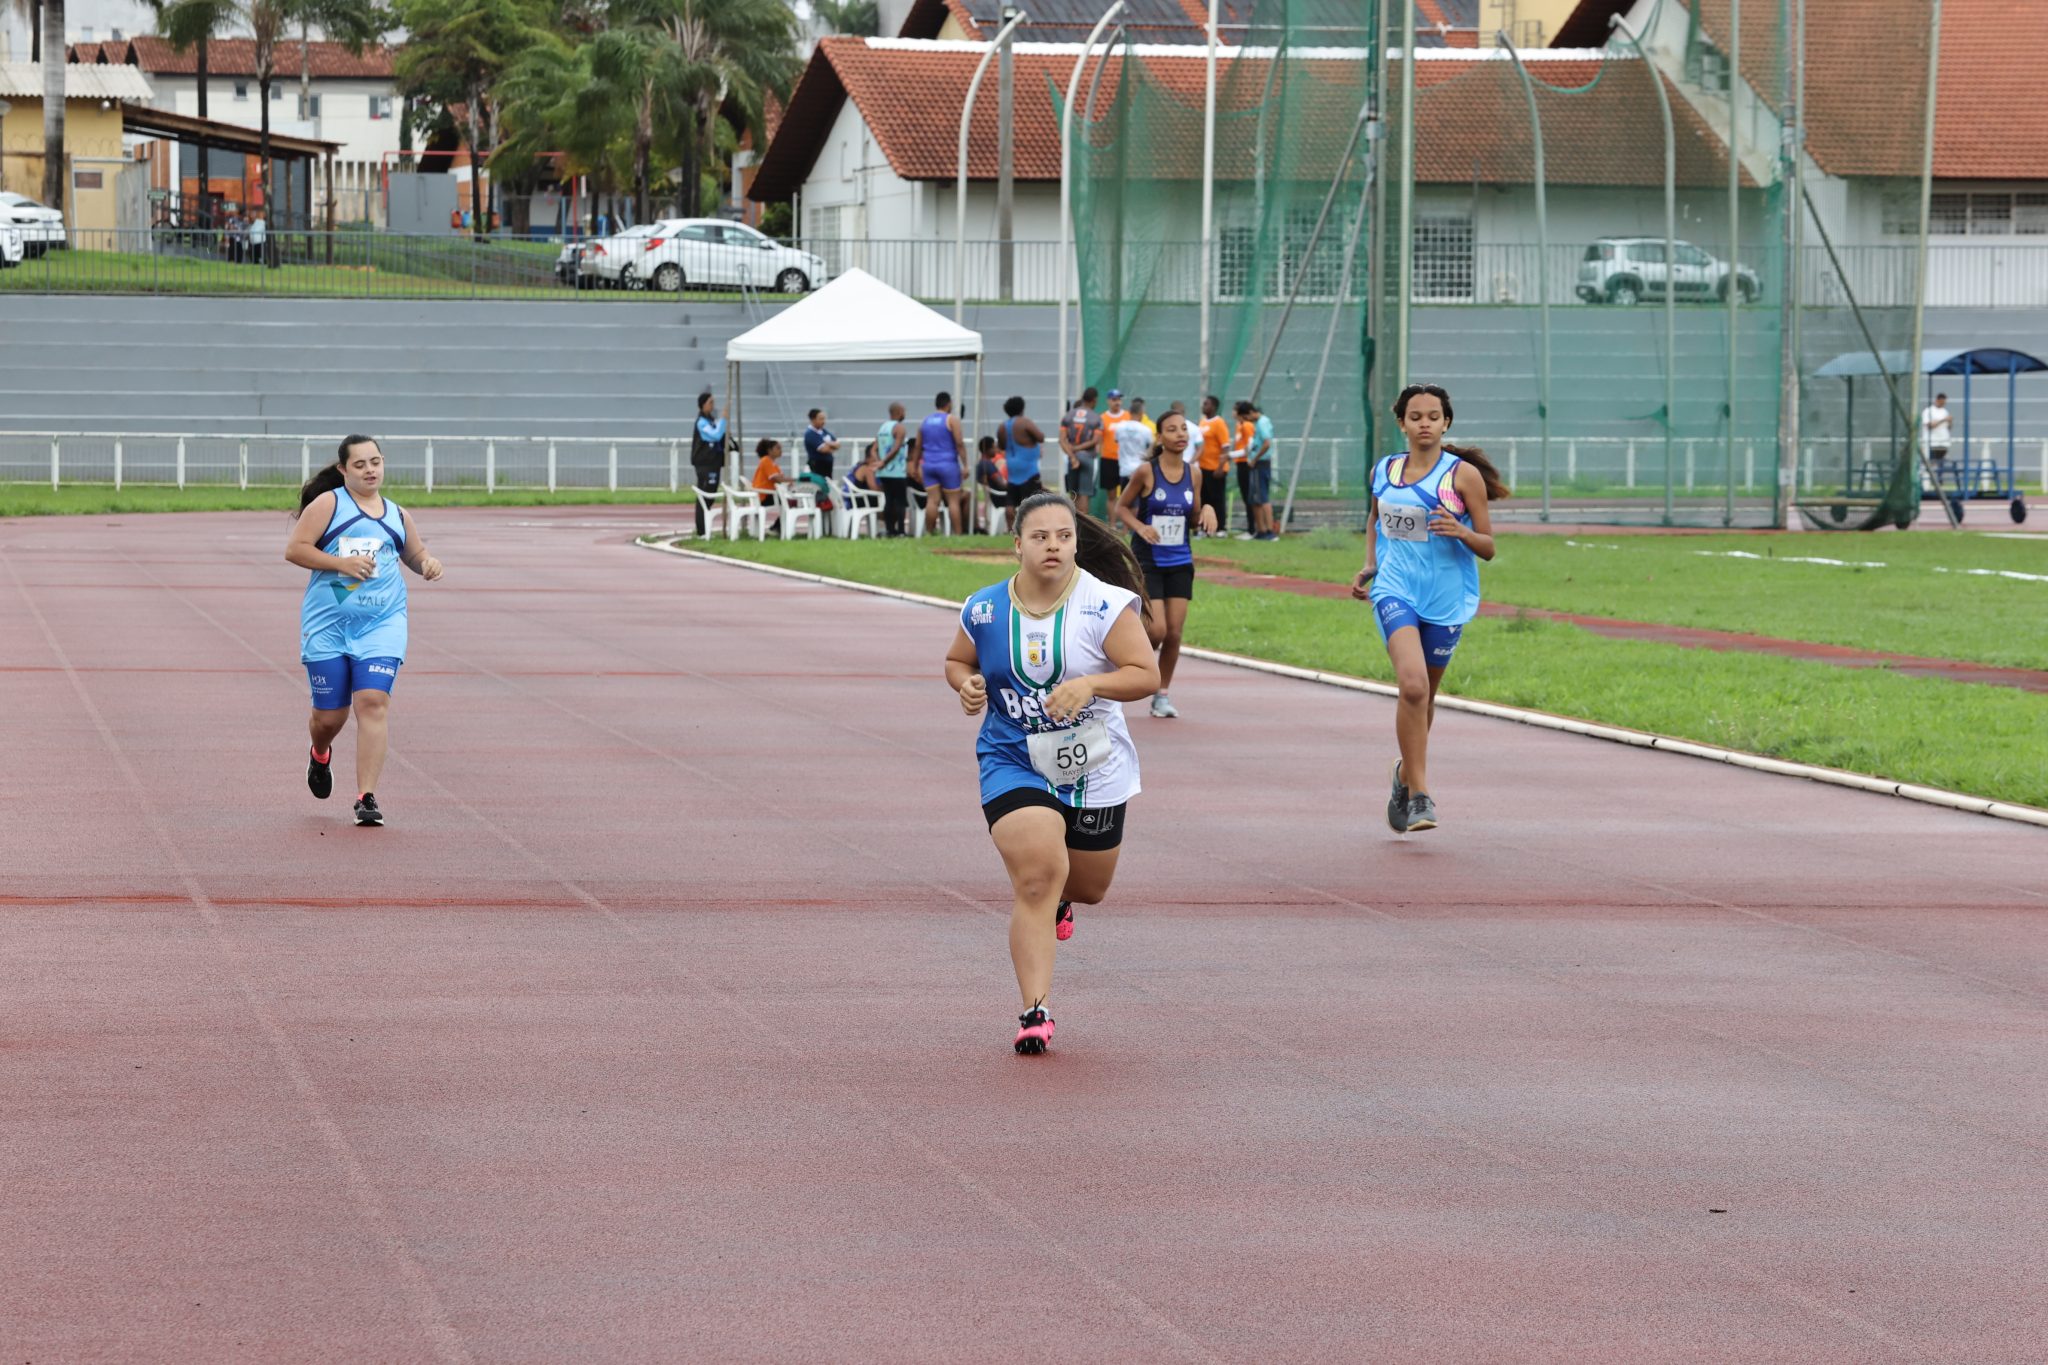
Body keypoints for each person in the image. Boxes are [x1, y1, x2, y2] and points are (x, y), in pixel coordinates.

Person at [943, 492, 1159, 1053]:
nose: (1053, 546)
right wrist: (965, 683)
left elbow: (1145, 675)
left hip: (1094, 765)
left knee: (1087, 887)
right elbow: (957, 659)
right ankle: (1033, 1011)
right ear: (1017, 545)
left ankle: (1063, 899)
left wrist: (1092, 684)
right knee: (1038, 874)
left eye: (1063, 536)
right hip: (1012, 758)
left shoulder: (1106, 606)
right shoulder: (985, 609)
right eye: (1040, 537)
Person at [1350, 383, 1508, 835]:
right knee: (1413, 687)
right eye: (1415, 416)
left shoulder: (1462, 477)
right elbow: (1375, 520)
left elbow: (1490, 546)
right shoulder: (1385, 469)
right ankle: (1420, 796)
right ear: (1401, 422)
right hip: (1396, 591)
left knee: (1426, 698)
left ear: (1446, 422)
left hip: (1447, 598)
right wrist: (1370, 565)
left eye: (1433, 416)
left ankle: (1403, 775)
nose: (1424, 423)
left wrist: (1461, 533)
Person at [286, 435, 444, 828]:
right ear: (343, 470)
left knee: (372, 701)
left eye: (375, 462)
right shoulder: (329, 505)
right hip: (328, 627)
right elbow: (296, 549)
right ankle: (319, 753)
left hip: (382, 624)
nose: (370, 470)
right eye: (360, 464)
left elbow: (415, 553)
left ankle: (366, 797)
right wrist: (341, 565)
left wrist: (427, 564)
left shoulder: (397, 514)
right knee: (330, 716)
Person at [1115, 408, 1216, 718]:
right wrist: (1140, 526)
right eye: (1172, 430)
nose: (1180, 434)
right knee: (1156, 631)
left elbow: (1195, 516)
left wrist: (1208, 511)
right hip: (1149, 559)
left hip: (1181, 560)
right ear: (1160, 437)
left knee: (1173, 633)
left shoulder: (1194, 474)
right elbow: (1122, 508)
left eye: (1184, 429)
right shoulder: (1147, 472)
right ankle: (1121, 669)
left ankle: (1161, 695)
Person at [919, 391, 967, 536]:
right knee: (953, 501)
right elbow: (959, 443)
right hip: (948, 465)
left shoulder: (925, 421)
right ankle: (958, 534)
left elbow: (917, 446)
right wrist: (965, 464)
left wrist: (915, 465)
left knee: (932, 500)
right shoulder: (952, 420)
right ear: (948, 404)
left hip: (928, 465)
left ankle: (929, 533)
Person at [690, 390, 730, 537]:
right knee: (705, 495)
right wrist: (724, 420)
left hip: (713, 463)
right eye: (710, 402)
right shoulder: (701, 423)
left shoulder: (710, 420)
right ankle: (701, 531)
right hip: (705, 464)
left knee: (711, 495)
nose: (713, 405)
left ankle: (704, 528)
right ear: (703, 405)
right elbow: (715, 435)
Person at [1239, 399, 1278, 540]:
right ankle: (1261, 530)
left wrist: (1255, 459)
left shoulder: (1262, 423)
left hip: (1260, 464)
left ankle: (1268, 531)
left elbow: (1267, 443)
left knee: (1262, 498)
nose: (1246, 421)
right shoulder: (1262, 422)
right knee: (1256, 499)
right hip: (1259, 464)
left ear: (1250, 413)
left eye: (1246, 418)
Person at [1001, 395, 1047, 504]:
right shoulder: (1025, 423)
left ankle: (1012, 521)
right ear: (1022, 409)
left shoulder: (1002, 427)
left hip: (1012, 474)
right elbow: (1041, 437)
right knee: (1031, 506)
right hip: (1029, 473)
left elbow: (1001, 446)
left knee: (1010, 507)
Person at [1197, 395, 1232, 537]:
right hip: (1203, 468)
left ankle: (1220, 528)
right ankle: (1206, 528)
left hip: (1215, 468)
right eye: (1203, 404)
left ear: (1214, 407)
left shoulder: (1219, 423)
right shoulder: (1202, 422)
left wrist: (1220, 467)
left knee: (1217, 499)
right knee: (1205, 499)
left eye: (1207, 404)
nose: (1204, 406)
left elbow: (1225, 447)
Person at [877, 402, 913, 536]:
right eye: (904, 411)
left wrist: (879, 462)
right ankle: (901, 531)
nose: (905, 414)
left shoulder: (883, 428)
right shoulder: (899, 428)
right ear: (898, 412)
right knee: (900, 502)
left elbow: (875, 448)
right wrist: (884, 461)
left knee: (889, 501)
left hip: (884, 472)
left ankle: (890, 530)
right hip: (897, 471)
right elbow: (897, 447)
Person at [1060, 387, 1102, 500]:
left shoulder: (1069, 415)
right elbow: (1095, 440)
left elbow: (1062, 440)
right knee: (1084, 495)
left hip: (1071, 458)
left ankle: (1072, 518)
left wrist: (1072, 455)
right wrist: (1078, 448)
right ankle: (1082, 517)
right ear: (1094, 400)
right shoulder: (1095, 417)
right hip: (1087, 457)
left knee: (1073, 495)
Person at [1113, 397, 1156, 493]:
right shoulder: (1146, 430)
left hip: (1124, 470)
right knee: (1139, 503)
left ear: (1129, 412)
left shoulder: (1119, 427)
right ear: (1141, 413)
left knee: (1124, 501)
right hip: (1140, 470)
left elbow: (1116, 440)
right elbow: (1151, 447)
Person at [1097, 389, 1129, 504]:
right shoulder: (1103, 418)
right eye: (1114, 399)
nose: (1117, 402)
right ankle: (1112, 522)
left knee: (1128, 494)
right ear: (1108, 401)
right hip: (1109, 459)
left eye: (1119, 399)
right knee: (1111, 496)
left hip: (1126, 460)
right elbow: (1099, 439)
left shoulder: (1127, 416)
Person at [974, 435, 1010, 532]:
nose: (996, 449)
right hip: (1000, 498)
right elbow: (1001, 485)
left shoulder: (982, 463)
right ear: (987, 449)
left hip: (996, 496)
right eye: (994, 447)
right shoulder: (987, 465)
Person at [802, 408, 840, 481]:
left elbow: (838, 444)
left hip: (827, 466)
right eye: (821, 419)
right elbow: (824, 450)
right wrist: (832, 446)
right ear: (813, 419)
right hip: (817, 466)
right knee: (819, 486)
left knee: (827, 485)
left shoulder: (823, 431)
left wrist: (828, 443)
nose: (823, 421)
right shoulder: (810, 434)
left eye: (824, 419)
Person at [1921, 392, 1952, 464]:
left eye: (1944, 402)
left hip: (1943, 443)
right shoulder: (1928, 411)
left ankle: (1936, 473)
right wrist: (1943, 420)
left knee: (1939, 463)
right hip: (1932, 443)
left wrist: (1950, 422)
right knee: (1930, 462)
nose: (1943, 404)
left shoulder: (1945, 411)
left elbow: (1948, 428)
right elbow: (1929, 426)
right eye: (1942, 402)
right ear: (1937, 400)